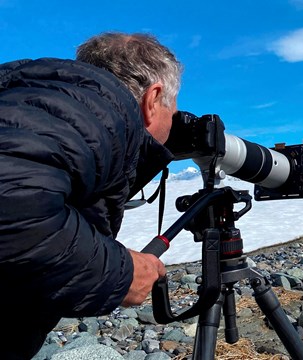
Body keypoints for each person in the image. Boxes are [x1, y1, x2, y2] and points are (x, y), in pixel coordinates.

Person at [0, 32, 181, 359]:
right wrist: (118, 271)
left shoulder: (28, 94)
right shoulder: (99, 111)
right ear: (153, 99)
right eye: (174, 108)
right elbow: (13, 205)